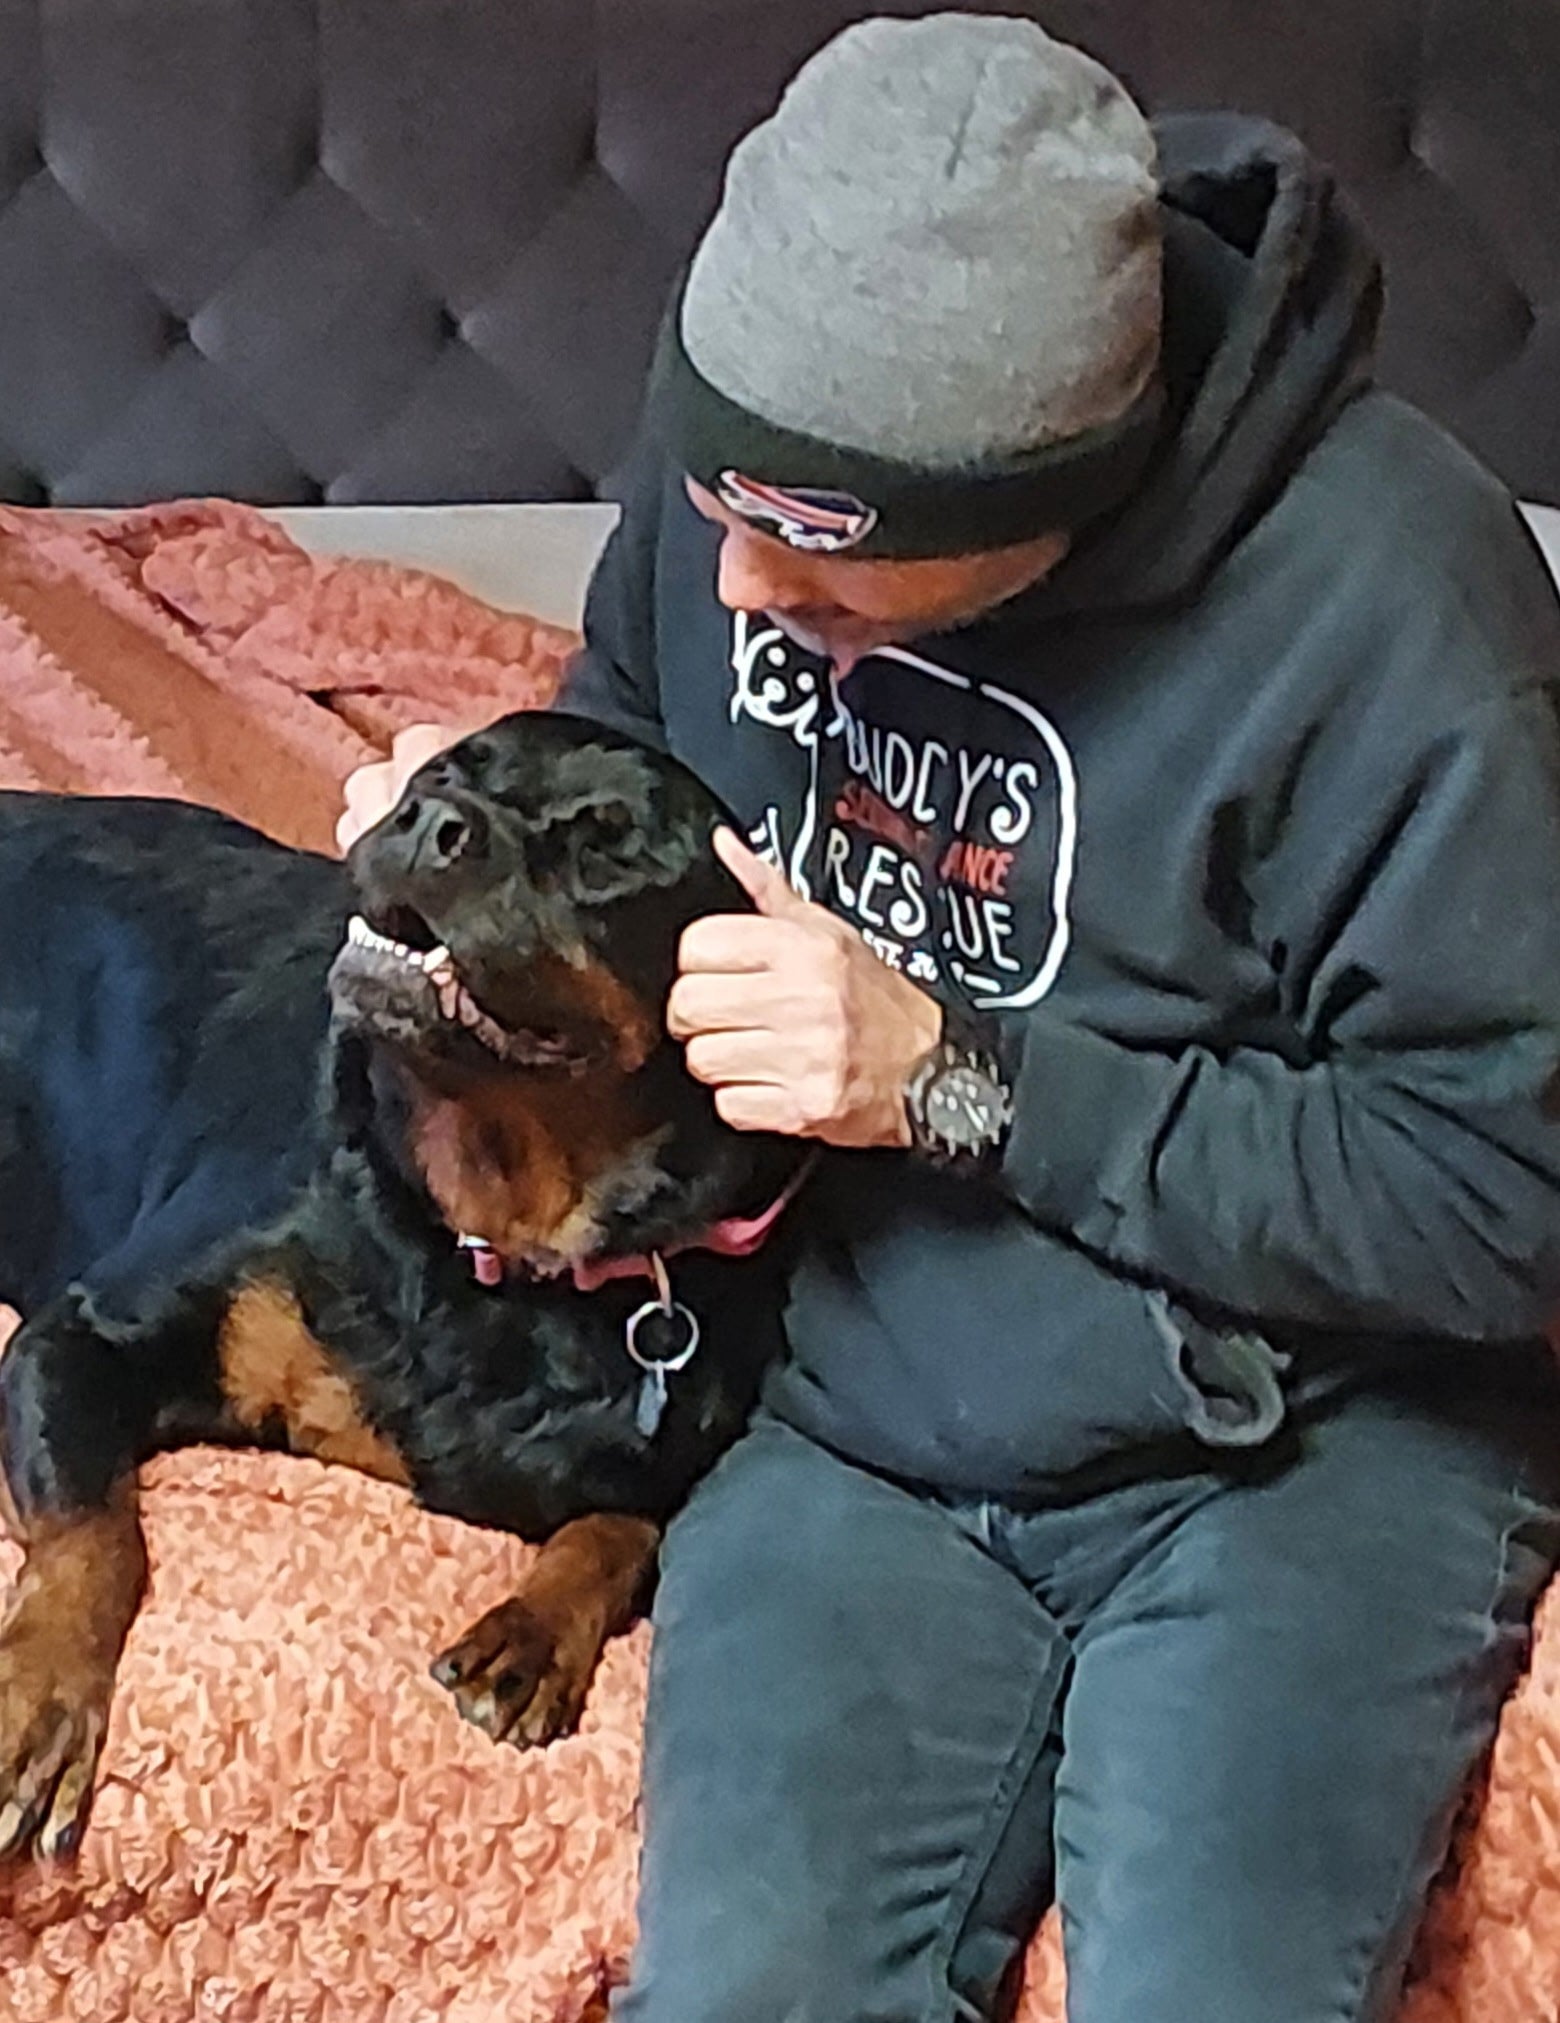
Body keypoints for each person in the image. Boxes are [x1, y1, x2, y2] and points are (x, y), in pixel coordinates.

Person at [338, 15, 1560, 2020]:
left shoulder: (1403, 614)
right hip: (851, 1418)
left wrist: (951, 1077)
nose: (738, 585)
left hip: (1311, 1453)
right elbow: (622, 783)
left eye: (824, 561)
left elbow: (1501, 1201)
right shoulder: (751, 475)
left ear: (1055, 506)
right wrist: (459, 866)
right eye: (711, 501)